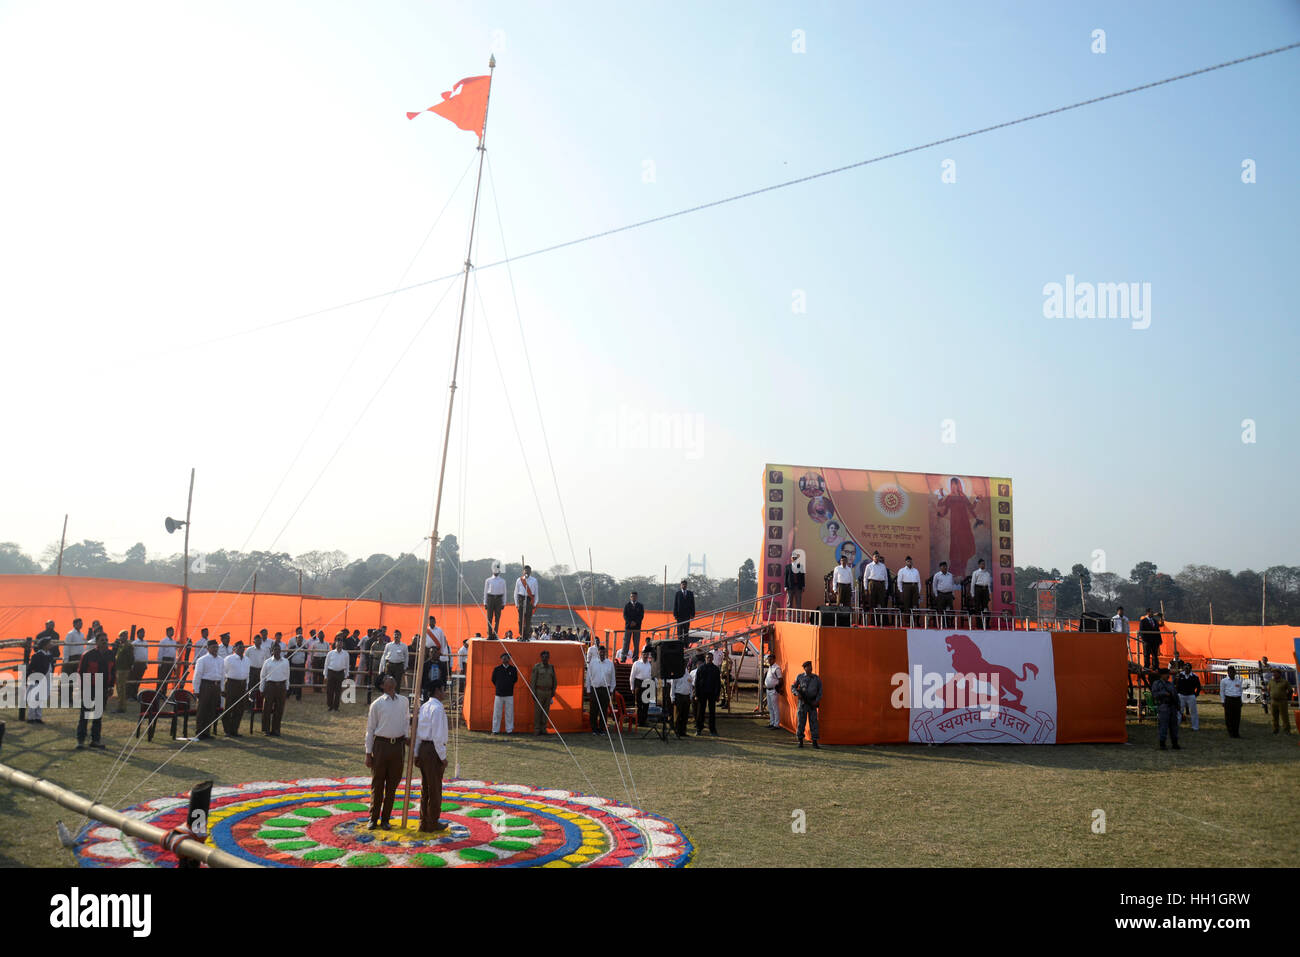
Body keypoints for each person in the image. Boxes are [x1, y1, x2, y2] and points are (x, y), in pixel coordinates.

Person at [364, 674, 409, 830]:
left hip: (398, 746)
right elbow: (370, 730)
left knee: (392, 785)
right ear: (383, 685)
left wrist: (407, 737)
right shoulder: (377, 704)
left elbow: (405, 721)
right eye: (388, 678)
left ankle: (386, 819)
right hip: (381, 745)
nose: (392, 678)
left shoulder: (404, 701)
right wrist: (368, 753)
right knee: (378, 783)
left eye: (392, 677)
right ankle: (373, 817)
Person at [414, 685, 450, 832]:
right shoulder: (437, 708)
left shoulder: (424, 707)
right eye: (443, 690)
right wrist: (443, 757)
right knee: (434, 788)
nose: (445, 693)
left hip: (423, 747)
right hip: (432, 750)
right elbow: (437, 735)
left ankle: (424, 821)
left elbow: (417, 731)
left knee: (426, 788)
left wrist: (417, 753)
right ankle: (432, 822)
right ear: (437, 691)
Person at [75, 633, 115, 750]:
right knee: (85, 715)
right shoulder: (88, 655)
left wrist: (111, 686)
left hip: (102, 687)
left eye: (106, 640)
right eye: (102, 640)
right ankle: (81, 740)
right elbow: (81, 671)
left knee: (98, 716)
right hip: (89, 686)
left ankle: (95, 740)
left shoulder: (111, 655)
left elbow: (113, 671)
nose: (105, 642)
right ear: (96, 642)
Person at [936, 477, 980, 577]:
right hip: (955, 525)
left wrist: (976, 500)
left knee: (965, 545)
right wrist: (940, 497)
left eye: (955, 484)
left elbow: (971, 507)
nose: (954, 486)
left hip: (964, 525)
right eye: (952, 485)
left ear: (958, 485)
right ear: (950, 486)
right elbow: (943, 507)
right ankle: (955, 571)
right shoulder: (950, 497)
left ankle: (963, 570)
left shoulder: (963, 496)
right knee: (956, 546)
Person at [192, 639, 224, 740]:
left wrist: (221, 688)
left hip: (216, 686)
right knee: (203, 709)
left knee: (211, 710)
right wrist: (196, 690)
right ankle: (200, 732)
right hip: (206, 685)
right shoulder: (202, 660)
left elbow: (222, 675)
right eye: (213, 647)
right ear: (208, 648)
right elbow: (197, 675)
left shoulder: (220, 660)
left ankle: (207, 732)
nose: (215, 649)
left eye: (216, 647)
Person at [259, 643, 289, 736]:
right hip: (270, 686)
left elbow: (287, 675)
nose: (277, 651)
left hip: (281, 686)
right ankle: (266, 729)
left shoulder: (285, 661)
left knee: (279, 709)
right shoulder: (267, 662)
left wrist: (286, 687)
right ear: (272, 651)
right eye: (275, 649)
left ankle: (276, 729)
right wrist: (262, 689)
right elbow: (263, 676)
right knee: (267, 708)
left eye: (279, 649)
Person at [792, 660, 822, 749]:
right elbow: (793, 687)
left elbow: (820, 691)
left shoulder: (816, 678)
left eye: (811, 667)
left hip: (812, 703)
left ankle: (815, 742)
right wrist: (797, 694)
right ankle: (800, 741)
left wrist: (816, 700)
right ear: (804, 668)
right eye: (808, 667)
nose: (810, 668)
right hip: (803, 704)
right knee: (801, 722)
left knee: (814, 722)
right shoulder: (800, 677)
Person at [222, 641, 249, 737]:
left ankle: (234, 730)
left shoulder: (247, 659)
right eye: (239, 647)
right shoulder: (229, 659)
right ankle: (227, 730)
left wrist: (246, 688)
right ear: (235, 648)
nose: (242, 649)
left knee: (239, 709)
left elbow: (247, 674)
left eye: (243, 647)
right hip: (231, 684)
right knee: (229, 708)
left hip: (242, 685)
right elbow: (223, 673)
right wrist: (222, 688)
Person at [25, 637, 55, 724]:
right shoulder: (37, 655)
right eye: (49, 643)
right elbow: (31, 668)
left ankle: (38, 716)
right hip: (38, 678)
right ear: (45, 645)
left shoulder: (49, 654)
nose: (51, 644)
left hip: (47, 678)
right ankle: (31, 717)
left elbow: (51, 665)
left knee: (41, 698)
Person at [1150, 667, 1181, 750]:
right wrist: (1164, 694)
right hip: (1163, 706)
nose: (1168, 676)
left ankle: (1175, 743)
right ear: (1162, 675)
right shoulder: (1157, 684)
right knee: (1163, 726)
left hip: (1172, 707)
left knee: (1174, 726)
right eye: (1166, 674)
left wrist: (1178, 706)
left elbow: (1175, 695)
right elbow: (1154, 695)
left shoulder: (1170, 684)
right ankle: (1162, 743)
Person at [588, 644, 616, 735]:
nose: (602, 654)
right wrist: (588, 689)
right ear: (598, 653)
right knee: (594, 710)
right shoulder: (592, 662)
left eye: (604, 652)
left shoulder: (610, 663)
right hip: (595, 689)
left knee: (603, 710)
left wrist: (611, 690)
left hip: (605, 690)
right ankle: (594, 729)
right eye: (600, 652)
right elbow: (589, 677)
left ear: (605, 653)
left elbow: (613, 678)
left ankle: (602, 728)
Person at [530, 649, 558, 735]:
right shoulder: (537, 667)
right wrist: (533, 693)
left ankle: (543, 728)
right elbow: (533, 681)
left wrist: (553, 691)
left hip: (548, 692)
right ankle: (537, 729)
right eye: (544, 657)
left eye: (547, 657)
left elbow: (554, 680)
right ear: (541, 657)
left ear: (549, 658)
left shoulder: (551, 667)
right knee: (538, 712)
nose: (545, 658)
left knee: (546, 711)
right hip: (539, 692)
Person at [693, 652, 721, 736]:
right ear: (705, 658)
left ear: (712, 659)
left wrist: (717, 695)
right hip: (702, 693)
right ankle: (699, 729)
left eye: (710, 658)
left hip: (712, 693)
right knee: (700, 712)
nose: (709, 659)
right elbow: (696, 682)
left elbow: (718, 683)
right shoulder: (701, 668)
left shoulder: (715, 669)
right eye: (707, 657)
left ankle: (712, 730)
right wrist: (696, 694)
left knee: (712, 712)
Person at [491, 652, 518, 734]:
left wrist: (508, 685)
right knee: (497, 713)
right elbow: (493, 680)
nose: (504, 659)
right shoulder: (497, 669)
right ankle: (495, 730)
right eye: (503, 658)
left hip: (509, 694)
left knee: (509, 713)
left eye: (506, 658)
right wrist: (499, 686)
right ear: (501, 659)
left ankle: (509, 730)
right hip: (499, 694)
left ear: (509, 659)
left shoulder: (513, 669)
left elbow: (515, 680)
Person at [424, 616, 451, 692]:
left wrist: (441, 652)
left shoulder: (439, 630)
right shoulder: (425, 630)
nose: (431, 622)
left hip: (437, 651)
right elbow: (422, 641)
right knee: (428, 668)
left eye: (433, 621)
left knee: (439, 668)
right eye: (430, 621)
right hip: (428, 651)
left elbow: (443, 641)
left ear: (435, 622)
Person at [324, 638, 350, 712]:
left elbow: (347, 666)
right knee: (329, 690)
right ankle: (330, 706)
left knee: (338, 691)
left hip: (340, 673)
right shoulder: (330, 653)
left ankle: (336, 707)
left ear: (342, 644)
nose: (339, 644)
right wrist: (325, 675)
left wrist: (346, 675)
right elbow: (326, 664)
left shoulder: (345, 654)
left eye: (341, 642)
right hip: (331, 672)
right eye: (338, 642)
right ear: (335, 643)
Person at [629, 647, 653, 726]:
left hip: (647, 684)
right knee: (639, 704)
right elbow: (632, 676)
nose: (645, 656)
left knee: (646, 704)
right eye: (644, 654)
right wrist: (632, 687)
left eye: (647, 654)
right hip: (638, 684)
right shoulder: (636, 663)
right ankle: (639, 721)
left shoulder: (650, 664)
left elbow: (652, 676)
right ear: (641, 655)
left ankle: (644, 721)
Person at [1175, 662, 1201, 731]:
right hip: (1181, 695)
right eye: (1185, 668)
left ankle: (1195, 727)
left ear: (1190, 669)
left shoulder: (1195, 676)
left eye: (1188, 668)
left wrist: (1195, 695)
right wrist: (1177, 694)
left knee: (1193, 712)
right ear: (1183, 668)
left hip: (1191, 696)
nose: (1186, 670)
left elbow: (1198, 687)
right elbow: (1176, 685)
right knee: (1179, 711)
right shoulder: (1179, 676)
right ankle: (1176, 726)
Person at [515, 565, 539, 639]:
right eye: (525, 570)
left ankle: (526, 635)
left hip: (529, 600)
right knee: (520, 619)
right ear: (523, 571)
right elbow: (515, 592)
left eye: (528, 571)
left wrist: (535, 603)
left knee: (528, 619)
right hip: (521, 599)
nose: (527, 572)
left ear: (530, 572)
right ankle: (521, 634)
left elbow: (536, 593)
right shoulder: (519, 580)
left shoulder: (534, 580)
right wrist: (516, 603)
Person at [113, 630, 134, 713]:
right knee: (119, 688)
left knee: (121, 688)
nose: (123, 637)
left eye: (125, 635)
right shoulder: (121, 645)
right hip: (119, 668)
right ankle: (121, 706)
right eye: (121, 636)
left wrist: (128, 667)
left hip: (124, 669)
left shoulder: (128, 646)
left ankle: (121, 707)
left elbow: (131, 658)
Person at [483, 563, 507, 638]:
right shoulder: (488, 580)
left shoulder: (502, 581)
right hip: (490, 598)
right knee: (489, 617)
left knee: (497, 618)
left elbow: (504, 592)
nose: (496, 571)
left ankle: (495, 634)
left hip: (499, 599)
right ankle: (489, 634)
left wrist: (504, 603)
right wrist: (485, 602)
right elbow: (485, 592)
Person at [863, 552, 889, 620]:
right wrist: (865, 588)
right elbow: (865, 578)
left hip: (881, 584)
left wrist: (886, 587)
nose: (877, 558)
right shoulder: (869, 566)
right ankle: (872, 620)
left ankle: (880, 620)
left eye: (878, 556)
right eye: (875, 556)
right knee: (872, 602)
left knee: (881, 603)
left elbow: (886, 578)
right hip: (872, 584)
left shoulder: (883, 566)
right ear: (873, 557)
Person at [1220, 665, 1244, 738]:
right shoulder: (1224, 681)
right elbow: (1222, 691)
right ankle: (1231, 732)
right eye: (1230, 672)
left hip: (1237, 700)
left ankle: (1236, 732)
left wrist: (1241, 701)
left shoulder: (1239, 681)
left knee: (1237, 717)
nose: (1231, 673)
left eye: (1233, 672)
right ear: (1228, 672)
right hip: (1228, 699)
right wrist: (1223, 701)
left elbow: (1241, 691)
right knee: (1229, 717)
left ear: (1235, 672)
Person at [621, 590, 645, 661]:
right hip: (628, 627)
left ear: (636, 597)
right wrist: (630, 622)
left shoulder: (640, 606)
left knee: (636, 643)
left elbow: (641, 616)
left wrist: (635, 622)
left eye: (634, 596)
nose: (633, 598)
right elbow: (625, 615)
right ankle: (623, 656)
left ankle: (635, 657)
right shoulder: (627, 605)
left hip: (637, 627)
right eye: (631, 596)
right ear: (630, 597)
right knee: (626, 642)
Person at [896, 556, 922, 622]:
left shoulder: (916, 570)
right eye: (908, 561)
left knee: (915, 605)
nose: (909, 562)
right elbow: (899, 582)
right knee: (907, 605)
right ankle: (907, 622)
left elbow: (919, 582)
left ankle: (914, 621)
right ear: (905, 562)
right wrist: (901, 591)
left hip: (915, 587)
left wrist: (918, 591)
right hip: (906, 587)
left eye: (910, 561)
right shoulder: (902, 570)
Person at [671, 667, 693, 739]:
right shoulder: (676, 675)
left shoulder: (688, 675)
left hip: (686, 696)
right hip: (678, 696)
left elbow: (690, 687)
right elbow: (673, 687)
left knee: (685, 715)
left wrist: (691, 696)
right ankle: (676, 731)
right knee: (677, 715)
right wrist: (672, 697)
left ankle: (683, 731)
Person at [1267, 669, 1292, 734]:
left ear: (1279, 674)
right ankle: (1275, 729)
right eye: (1273, 673)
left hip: (1282, 701)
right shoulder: (1271, 682)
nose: (1274, 674)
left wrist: (1287, 697)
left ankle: (1286, 730)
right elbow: (1268, 689)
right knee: (1274, 716)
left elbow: (1290, 690)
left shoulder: (1284, 682)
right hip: (1273, 701)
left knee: (1284, 716)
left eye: (1275, 673)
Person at [129, 628, 149, 702]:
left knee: (139, 680)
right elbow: (131, 655)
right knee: (133, 679)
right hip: (136, 664)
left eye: (143, 633)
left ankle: (135, 694)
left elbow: (146, 653)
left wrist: (146, 663)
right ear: (137, 634)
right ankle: (131, 695)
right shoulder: (134, 643)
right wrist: (132, 664)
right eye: (141, 633)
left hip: (143, 663)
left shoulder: (146, 643)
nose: (142, 634)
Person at [287, 631, 308, 700]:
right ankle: (288, 695)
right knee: (291, 681)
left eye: (301, 639)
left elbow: (306, 658)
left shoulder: (305, 648)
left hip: (301, 666)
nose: (299, 640)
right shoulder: (292, 647)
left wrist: (302, 664)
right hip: (293, 666)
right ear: (296, 640)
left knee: (300, 681)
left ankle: (298, 697)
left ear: (302, 640)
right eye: (298, 639)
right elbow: (288, 657)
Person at [764, 653, 783, 728]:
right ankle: (772, 722)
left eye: (770, 659)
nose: (769, 661)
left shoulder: (777, 668)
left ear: (774, 659)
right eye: (768, 659)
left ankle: (776, 724)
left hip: (773, 690)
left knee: (775, 707)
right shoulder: (770, 667)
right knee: (770, 707)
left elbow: (781, 680)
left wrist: (778, 688)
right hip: (768, 690)